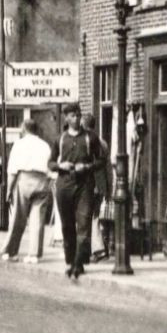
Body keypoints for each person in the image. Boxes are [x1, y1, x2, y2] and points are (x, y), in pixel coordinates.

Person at [54, 104, 98, 281]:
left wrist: (87, 166)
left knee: (84, 224)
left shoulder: (90, 138)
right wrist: (60, 166)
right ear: (66, 118)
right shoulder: (60, 139)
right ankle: (70, 261)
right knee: (67, 226)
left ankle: (79, 264)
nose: (77, 118)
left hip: (85, 185)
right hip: (64, 185)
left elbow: (101, 160)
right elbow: (50, 162)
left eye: (78, 115)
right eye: (73, 115)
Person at [2, 115, 53, 263]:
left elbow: (12, 169)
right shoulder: (45, 145)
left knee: (18, 217)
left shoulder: (19, 144)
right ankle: (34, 254)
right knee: (38, 219)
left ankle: (10, 251)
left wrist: (9, 190)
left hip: (24, 178)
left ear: (23, 129)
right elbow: (49, 166)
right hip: (42, 180)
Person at [83, 113, 113, 261]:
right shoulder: (103, 142)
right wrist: (107, 187)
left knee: (88, 217)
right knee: (94, 217)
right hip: (100, 186)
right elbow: (106, 168)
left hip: (90, 185)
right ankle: (95, 249)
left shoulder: (87, 142)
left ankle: (98, 249)